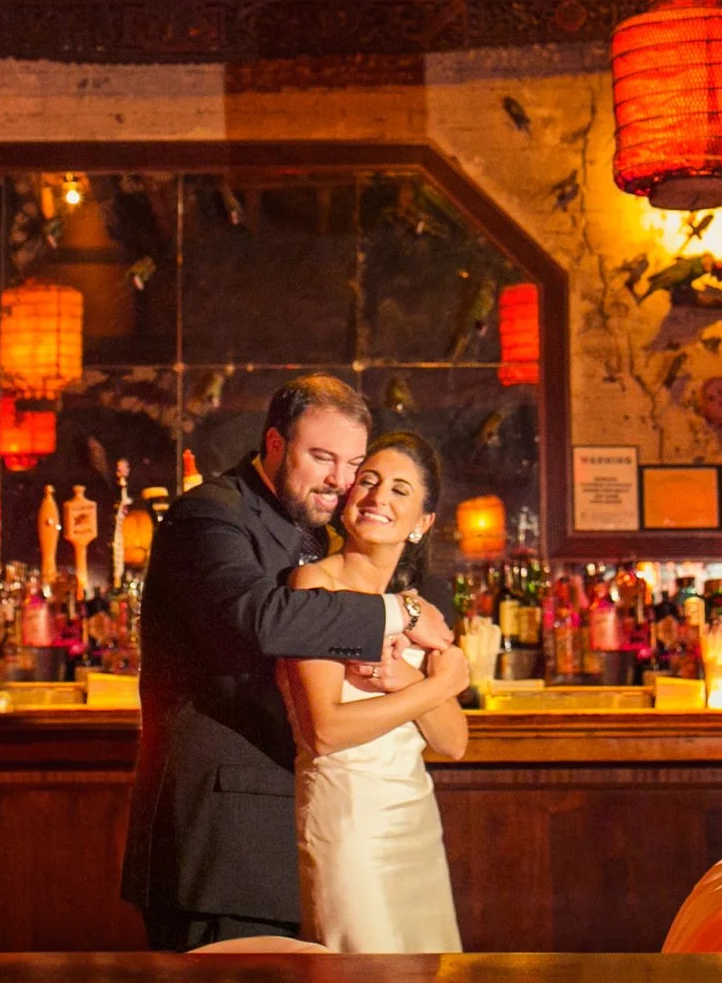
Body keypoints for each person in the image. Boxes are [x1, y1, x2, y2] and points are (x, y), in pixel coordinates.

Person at [121, 375, 456, 952]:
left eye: (353, 463)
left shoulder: (319, 527)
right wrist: (396, 613)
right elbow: (264, 619)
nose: (342, 481)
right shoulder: (209, 515)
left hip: (303, 832)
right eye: (322, 457)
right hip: (221, 839)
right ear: (274, 445)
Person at [278, 430, 468, 953]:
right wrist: (441, 684)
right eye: (369, 481)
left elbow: (453, 743)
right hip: (348, 823)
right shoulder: (314, 587)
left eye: (400, 490)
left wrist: (407, 680)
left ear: (422, 523)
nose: (378, 497)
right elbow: (326, 731)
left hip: (414, 818)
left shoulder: (414, 610)